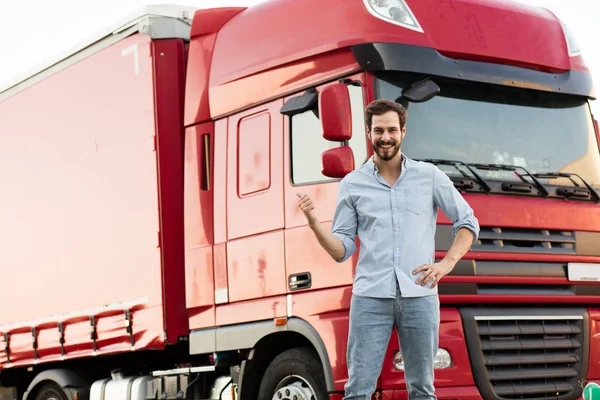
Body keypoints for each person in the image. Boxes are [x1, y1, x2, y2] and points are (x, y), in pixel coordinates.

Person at [296, 99, 480, 399]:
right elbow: (342, 249)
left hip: (420, 297)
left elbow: (468, 222)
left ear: (403, 132)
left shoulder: (429, 176)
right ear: (369, 133)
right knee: (358, 391)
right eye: (379, 130)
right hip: (370, 299)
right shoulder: (353, 184)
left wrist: (445, 265)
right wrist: (315, 222)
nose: (386, 137)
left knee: (422, 389)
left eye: (392, 130)